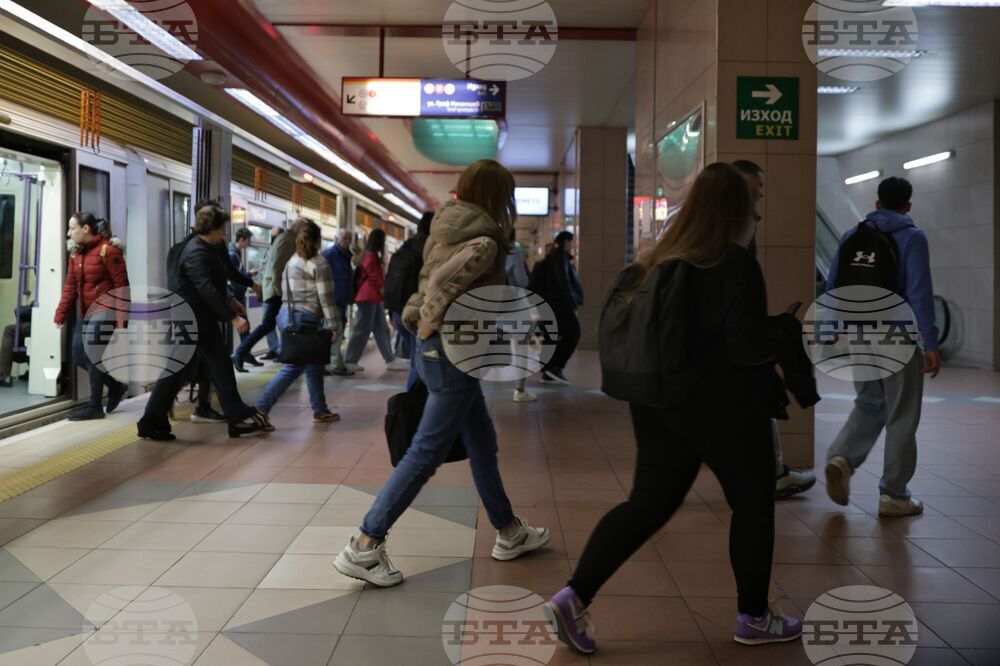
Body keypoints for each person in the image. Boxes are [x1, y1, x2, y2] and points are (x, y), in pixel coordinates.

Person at [545, 163, 802, 654]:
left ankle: (572, 596)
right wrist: (780, 332)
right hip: (721, 406)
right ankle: (753, 616)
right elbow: (745, 347)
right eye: (753, 201)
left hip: (659, 401)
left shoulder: (660, 259)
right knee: (753, 503)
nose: (758, 209)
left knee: (648, 504)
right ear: (736, 209)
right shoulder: (734, 262)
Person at [334, 159, 549, 587]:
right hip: (452, 352)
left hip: (439, 350)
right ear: (496, 196)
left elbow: (431, 279)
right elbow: (443, 287)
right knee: (426, 451)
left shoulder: (446, 226)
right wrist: (430, 321)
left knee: (482, 442)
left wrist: (423, 327)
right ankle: (364, 544)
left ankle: (509, 531)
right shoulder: (484, 240)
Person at [824, 176, 940, 517]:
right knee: (902, 413)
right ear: (908, 205)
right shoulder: (913, 237)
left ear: (876, 203)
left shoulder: (852, 235)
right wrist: (930, 342)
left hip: (859, 331)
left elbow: (834, 283)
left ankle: (842, 456)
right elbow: (919, 293)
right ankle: (894, 495)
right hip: (896, 332)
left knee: (870, 402)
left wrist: (832, 326)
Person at [137, 203, 270, 440]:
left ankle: (236, 418)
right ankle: (150, 422)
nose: (225, 233)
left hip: (204, 319)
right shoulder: (195, 252)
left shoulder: (211, 246)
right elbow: (206, 288)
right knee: (177, 372)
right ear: (213, 228)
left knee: (221, 367)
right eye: (223, 228)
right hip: (189, 319)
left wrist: (235, 298)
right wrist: (232, 317)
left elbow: (222, 277)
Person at [732, 159, 816, 500]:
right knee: (759, 401)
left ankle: (772, 471)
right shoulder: (737, 224)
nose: (762, 192)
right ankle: (773, 474)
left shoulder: (731, 222)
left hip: (735, 334)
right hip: (738, 339)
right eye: (758, 184)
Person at [255, 219, 342, 423]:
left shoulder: (292, 261)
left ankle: (320, 409)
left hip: (287, 315)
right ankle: (260, 408)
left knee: (314, 364)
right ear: (317, 240)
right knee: (293, 367)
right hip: (306, 317)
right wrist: (334, 325)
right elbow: (326, 298)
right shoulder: (319, 263)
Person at [54, 212, 130, 421]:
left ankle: (95, 406)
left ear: (85, 229)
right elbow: (70, 286)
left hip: (105, 309)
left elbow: (122, 287)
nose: (69, 233)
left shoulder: (109, 251)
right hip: (85, 311)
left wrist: (122, 321)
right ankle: (116, 386)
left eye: (72, 228)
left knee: (92, 353)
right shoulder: (76, 254)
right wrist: (60, 313)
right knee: (79, 355)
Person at [232, 221, 305, 372]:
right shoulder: (286, 241)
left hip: (276, 290)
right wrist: (280, 291)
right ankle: (240, 353)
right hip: (276, 291)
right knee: (270, 324)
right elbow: (276, 267)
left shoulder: (287, 240)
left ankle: (242, 353)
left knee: (271, 324)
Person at [343, 228, 408, 372]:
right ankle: (350, 360)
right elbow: (374, 277)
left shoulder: (368, 255)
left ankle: (389, 358)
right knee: (363, 329)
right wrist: (383, 291)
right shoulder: (371, 257)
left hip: (372, 297)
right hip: (369, 296)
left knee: (381, 328)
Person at [383, 211, 433, 389]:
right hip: (414, 313)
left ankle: (417, 398)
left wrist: (391, 312)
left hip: (397, 312)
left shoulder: (404, 247)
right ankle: (412, 399)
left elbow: (392, 281)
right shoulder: (430, 250)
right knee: (418, 360)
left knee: (416, 356)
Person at [528, 230, 583, 384]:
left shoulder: (553, 258)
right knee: (574, 333)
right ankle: (555, 366)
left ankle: (548, 372)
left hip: (548, 303)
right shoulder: (560, 258)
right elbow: (563, 281)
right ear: (566, 242)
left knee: (551, 335)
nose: (572, 245)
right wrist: (571, 302)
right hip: (559, 303)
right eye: (571, 241)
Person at [322, 227, 356, 376]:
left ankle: (327, 364)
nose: (347, 241)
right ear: (337, 239)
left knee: (336, 332)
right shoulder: (330, 254)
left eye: (349, 238)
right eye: (344, 238)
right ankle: (335, 365)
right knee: (335, 331)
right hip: (332, 299)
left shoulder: (346, 255)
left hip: (341, 299)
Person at [505, 232, 535, 403]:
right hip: (513, 306)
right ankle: (520, 390)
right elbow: (522, 281)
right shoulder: (513, 252)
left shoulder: (487, 250)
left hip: (490, 305)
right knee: (521, 348)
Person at [227, 228, 257, 351]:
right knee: (244, 326)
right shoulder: (232, 255)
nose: (250, 243)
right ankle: (243, 354)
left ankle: (244, 354)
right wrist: (249, 275)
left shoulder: (235, 253)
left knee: (244, 327)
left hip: (237, 295)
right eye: (249, 240)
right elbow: (235, 277)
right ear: (242, 239)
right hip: (236, 296)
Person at [0, 306, 31, 387]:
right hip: (49, 324)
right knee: (25, 340)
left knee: (8, 330)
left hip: (37, 323)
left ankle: (4, 376)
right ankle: (32, 371)